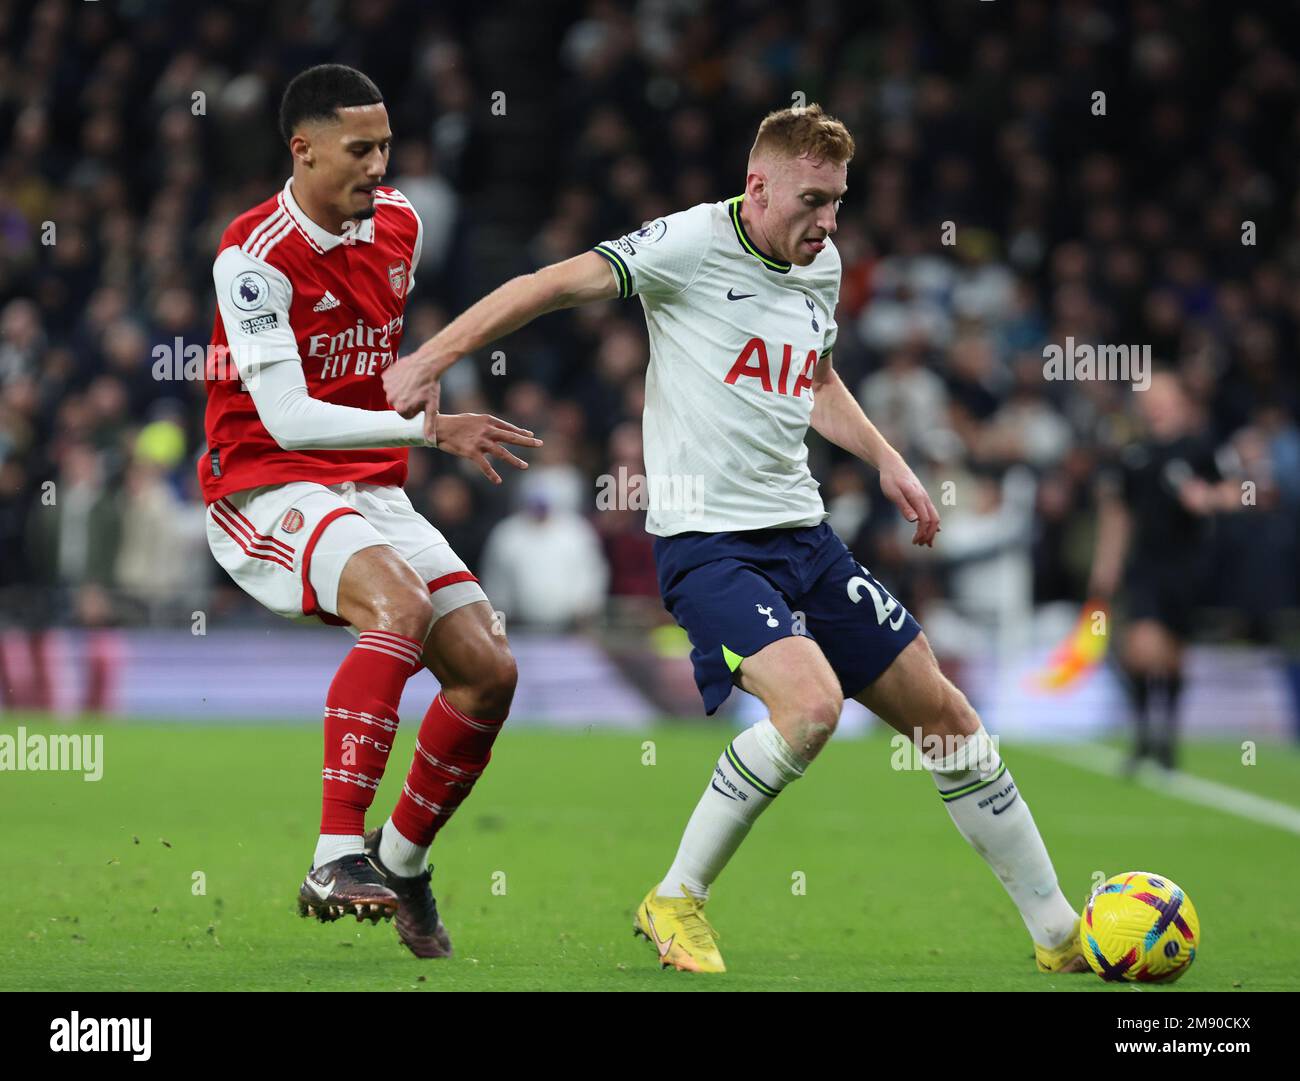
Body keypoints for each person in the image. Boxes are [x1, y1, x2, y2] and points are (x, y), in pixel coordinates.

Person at [384, 104, 1089, 975]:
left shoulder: (820, 263)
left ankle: (1060, 933)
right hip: (709, 545)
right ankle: (676, 896)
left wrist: (886, 457)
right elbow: (549, 284)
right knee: (811, 708)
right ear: (757, 187)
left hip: (805, 534)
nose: (828, 223)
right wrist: (429, 358)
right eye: (813, 200)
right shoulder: (685, 245)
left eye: (838, 202)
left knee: (947, 718)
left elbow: (818, 375)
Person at [199, 64, 540, 958]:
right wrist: (431, 430)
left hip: (370, 486)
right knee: (398, 605)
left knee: (488, 672)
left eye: (386, 145)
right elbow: (288, 416)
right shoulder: (253, 256)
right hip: (265, 483)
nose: (379, 165)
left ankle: (401, 860)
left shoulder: (402, 225)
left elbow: (384, 367)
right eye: (360, 149)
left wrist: (411, 424)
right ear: (301, 149)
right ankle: (333, 852)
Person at [1088, 369, 1233, 772]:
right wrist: (1106, 569)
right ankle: (1143, 734)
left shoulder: (1200, 448)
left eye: (1162, 395)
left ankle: (1163, 738)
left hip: (1188, 567)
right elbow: (1117, 518)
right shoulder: (1134, 456)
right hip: (1146, 565)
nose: (1154, 404)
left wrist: (1207, 498)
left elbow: (1239, 491)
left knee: (1171, 656)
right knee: (1139, 648)